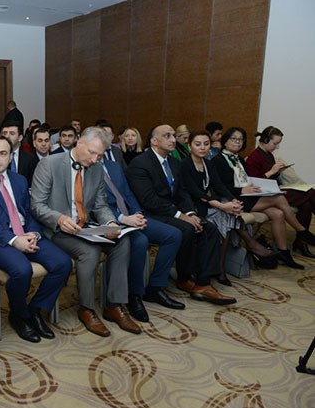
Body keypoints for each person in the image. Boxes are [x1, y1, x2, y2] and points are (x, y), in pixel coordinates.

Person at [31, 126, 140, 337]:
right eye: (91, 153)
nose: (94, 159)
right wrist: (59, 218)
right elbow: (37, 205)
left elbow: (100, 205)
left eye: (99, 155)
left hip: (85, 226)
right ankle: (86, 308)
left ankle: (114, 305)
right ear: (79, 142)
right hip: (58, 230)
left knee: (123, 242)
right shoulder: (49, 164)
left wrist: (110, 223)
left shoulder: (96, 169)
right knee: (89, 252)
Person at [0, 135, 71, 343]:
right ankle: (19, 315)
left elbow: (28, 212)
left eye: (2, 154)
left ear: (10, 157)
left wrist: (34, 233)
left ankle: (35, 310)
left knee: (62, 263)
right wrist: (14, 240)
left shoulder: (19, 180)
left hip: (25, 233)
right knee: (22, 269)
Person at [126, 124, 237, 305]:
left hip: (170, 211)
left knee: (209, 228)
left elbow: (181, 192)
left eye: (173, 135)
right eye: (167, 136)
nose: (173, 139)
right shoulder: (140, 163)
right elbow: (149, 200)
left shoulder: (173, 162)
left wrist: (190, 212)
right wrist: (180, 215)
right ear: (154, 141)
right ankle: (180, 279)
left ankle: (202, 282)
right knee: (186, 228)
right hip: (149, 214)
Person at [98, 132, 185, 322]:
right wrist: (122, 218)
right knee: (140, 241)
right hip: (110, 221)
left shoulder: (114, 166)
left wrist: (137, 213)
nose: (104, 147)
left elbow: (128, 193)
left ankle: (155, 287)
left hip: (132, 216)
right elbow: (96, 205)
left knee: (174, 235)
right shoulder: (87, 169)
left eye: (106, 144)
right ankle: (134, 295)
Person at [182, 131, 278, 284]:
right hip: (191, 206)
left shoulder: (208, 163)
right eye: (198, 144)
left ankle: (220, 266)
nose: (202, 148)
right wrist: (222, 205)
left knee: (229, 215)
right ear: (189, 146)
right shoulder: (184, 165)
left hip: (207, 203)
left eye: (206, 144)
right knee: (228, 216)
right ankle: (223, 264)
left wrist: (233, 200)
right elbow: (195, 192)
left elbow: (218, 185)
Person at [212, 127, 312, 268]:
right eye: (234, 139)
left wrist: (252, 187)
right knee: (279, 198)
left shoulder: (239, 159)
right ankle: (301, 231)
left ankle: (284, 253)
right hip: (233, 199)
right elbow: (219, 186)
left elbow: (248, 180)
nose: (238, 142)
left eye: (241, 140)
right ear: (225, 141)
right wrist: (242, 189)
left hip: (247, 195)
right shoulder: (217, 160)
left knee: (278, 213)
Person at [245, 125, 315, 258]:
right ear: (265, 140)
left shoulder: (268, 155)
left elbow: (271, 177)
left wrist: (277, 172)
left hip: (273, 189)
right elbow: (254, 183)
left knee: (306, 204)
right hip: (263, 194)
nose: (277, 147)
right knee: (311, 192)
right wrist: (272, 171)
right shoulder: (254, 157)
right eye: (275, 143)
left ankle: (301, 242)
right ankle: (302, 235)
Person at [1, 121, 39, 187]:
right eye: (5, 133)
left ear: (20, 138)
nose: (7, 136)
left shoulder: (30, 159)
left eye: (12, 133)